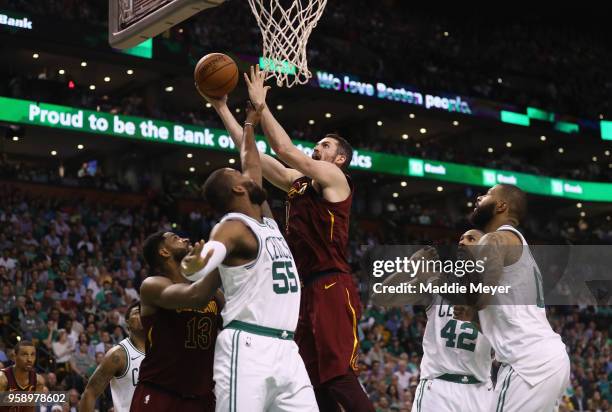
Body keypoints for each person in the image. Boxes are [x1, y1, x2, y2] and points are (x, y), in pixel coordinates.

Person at [206, 65, 372, 412]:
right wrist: (222, 107)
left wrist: (261, 106)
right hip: (301, 290)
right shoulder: (298, 182)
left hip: (331, 284)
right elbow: (251, 152)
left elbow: (283, 148)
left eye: (324, 145)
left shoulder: (334, 177)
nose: (317, 147)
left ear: (339, 158)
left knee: (339, 375)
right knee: (314, 382)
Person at [193, 98, 317, 411]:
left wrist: (249, 122)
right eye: (237, 175)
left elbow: (251, 162)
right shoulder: (232, 226)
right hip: (248, 347)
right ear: (238, 190)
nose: (246, 174)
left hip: (287, 350)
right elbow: (208, 256)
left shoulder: (265, 222)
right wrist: (195, 263)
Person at [468, 184, 570, 412]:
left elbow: (481, 294)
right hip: (544, 358)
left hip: (526, 362)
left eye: (487, 195)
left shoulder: (496, 239)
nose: (479, 197)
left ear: (501, 206)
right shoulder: (518, 246)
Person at [371, 230, 494, 412]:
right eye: (460, 239)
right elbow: (380, 297)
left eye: (471, 238)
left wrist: (475, 319)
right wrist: (409, 267)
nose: (462, 242)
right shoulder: (436, 283)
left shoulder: (496, 294)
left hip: (479, 389)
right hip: (437, 388)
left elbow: (503, 342)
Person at [128, 230, 223, 410]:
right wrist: (223, 254)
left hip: (200, 397)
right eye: (176, 238)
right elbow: (196, 297)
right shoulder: (152, 285)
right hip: (159, 392)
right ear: (164, 252)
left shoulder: (215, 294)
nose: (186, 239)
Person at [79, 300, 145, 412]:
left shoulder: (160, 352)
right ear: (127, 323)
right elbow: (89, 393)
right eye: (136, 312)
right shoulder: (118, 354)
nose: (141, 316)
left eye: (144, 312)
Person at [0, 341, 46, 412]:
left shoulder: (38, 381)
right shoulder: (2, 378)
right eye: (24, 355)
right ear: (14, 356)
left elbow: (31, 409)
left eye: (32, 355)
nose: (29, 359)